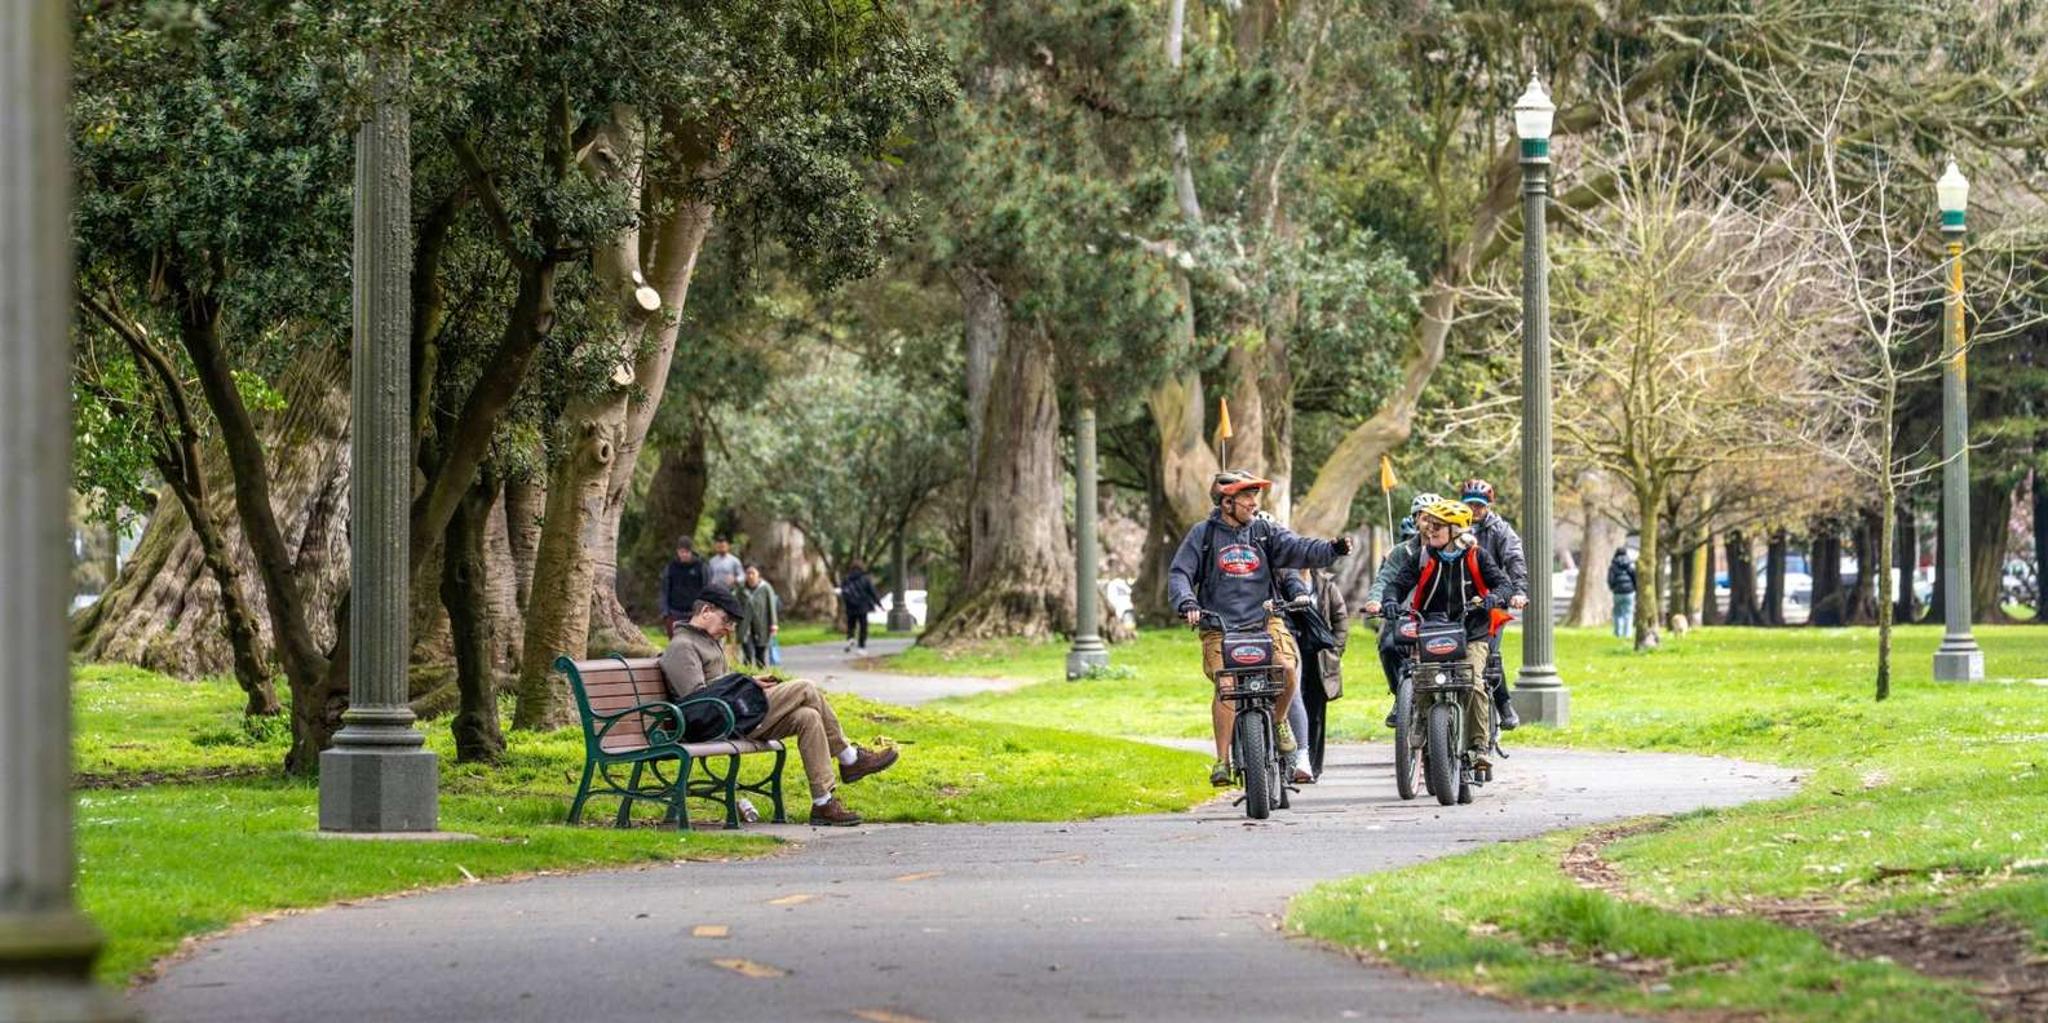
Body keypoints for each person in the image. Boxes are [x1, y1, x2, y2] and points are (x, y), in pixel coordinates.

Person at [1167, 469, 1352, 788]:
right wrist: (1188, 604)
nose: (1254, 502)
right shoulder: (1203, 535)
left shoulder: (1264, 531)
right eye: (1247, 496)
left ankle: (1279, 722)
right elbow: (1180, 574)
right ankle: (1222, 761)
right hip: (1219, 627)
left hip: (1265, 622)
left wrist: (1331, 550)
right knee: (1227, 684)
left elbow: (1298, 549)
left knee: (1287, 668)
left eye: (1256, 496)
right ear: (1227, 503)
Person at [659, 585, 897, 826]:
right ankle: (849, 758)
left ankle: (823, 802)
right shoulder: (682, 646)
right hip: (720, 723)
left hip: (735, 716)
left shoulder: (708, 642)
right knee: (806, 687)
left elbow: (718, 686)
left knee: (808, 716)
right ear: (706, 610)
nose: (729, 628)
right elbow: (698, 702)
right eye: (726, 620)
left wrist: (749, 683)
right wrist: (745, 684)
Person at [1379, 499, 1510, 770]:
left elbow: (1503, 584)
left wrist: (1494, 597)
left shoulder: (1477, 556)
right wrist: (1390, 600)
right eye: (1429, 524)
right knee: (1425, 679)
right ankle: (1422, 722)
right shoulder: (1424, 556)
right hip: (1432, 630)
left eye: (1438, 526)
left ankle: (1478, 746)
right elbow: (1397, 583)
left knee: (1472, 681)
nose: (1430, 530)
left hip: (1472, 631)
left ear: (1456, 531)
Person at [1364, 493, 1440, 727]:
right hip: (1405, 615)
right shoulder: (1401, 552)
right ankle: (1401, 695)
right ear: (1415, 520)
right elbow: (1385, 579)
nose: (1429, 525)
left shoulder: (1451, 549)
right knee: (1388, 645)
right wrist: (1376, 600)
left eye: (1435, 519)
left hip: (1439, 616)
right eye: (1424, 518)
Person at [1458, 479, 1528, 731]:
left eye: (1479, 505)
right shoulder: (1454, 527)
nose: (1474, 510)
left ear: (1489, 505)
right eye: (1470, 505)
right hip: (1460, 601)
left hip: (1494, 601)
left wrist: (1518, 591)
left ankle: (1503, 704)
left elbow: (1514, 560)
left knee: (1489, 655)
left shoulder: (1500, 531)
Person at [1293, 566, 1349, 780]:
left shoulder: (1325, 585)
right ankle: (1292, 762)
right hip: (1293, 652)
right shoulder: (1282, 581)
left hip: (1318, 656)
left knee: (1315, 713)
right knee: (1291, 708)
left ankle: (1313, 766)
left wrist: (1335, 648)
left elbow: (1340, 618)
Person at [658, 538, 706, 636]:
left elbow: (706, 588)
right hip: (674, 612)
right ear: (677, 552)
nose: (684, 554)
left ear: (691, 552)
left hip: (694, 613)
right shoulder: (671, 567)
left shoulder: (700, 566)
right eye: (681, 552)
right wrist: (665, 612)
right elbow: (665, 589)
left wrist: (703, 610)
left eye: (687, 552)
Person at [736, 564, 780, 669]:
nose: (750, 576)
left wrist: (773, 624)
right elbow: (736, 605)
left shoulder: (765, 588)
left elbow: (771, 607)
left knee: (760, 654)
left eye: (753, 573)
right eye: (748, 573)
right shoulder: (741, 589)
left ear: (758, 575)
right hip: (745, 626)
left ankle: (762, 677)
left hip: (762, 625)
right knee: (747, 654)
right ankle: (747, 678)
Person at [839, 561, 882, 653]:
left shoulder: (847, 579)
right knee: (863, 626)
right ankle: (861, 647)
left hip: (850, 606)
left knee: (851, 624)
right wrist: (879, 604)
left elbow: (843, 591)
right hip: (862, 606)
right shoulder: (865, 579)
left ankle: (850, 638)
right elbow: (872, 592)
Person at [1607, 547, 1638, 639]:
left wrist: (1613, 587)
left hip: (1618, 592)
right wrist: (1635, 588)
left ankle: (1618, 633)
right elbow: (1635, 577)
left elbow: (1610, 579)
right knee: (1628, 613)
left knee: (1618, 613)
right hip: (1629, 592)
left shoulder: (1613, 566)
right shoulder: (1630, 565)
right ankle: (1627, 633)